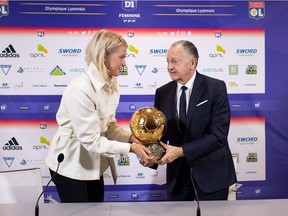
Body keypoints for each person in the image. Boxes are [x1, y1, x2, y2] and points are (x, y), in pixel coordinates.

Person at [45, 30, 155, 203]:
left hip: (93, 165)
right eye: (121, 57)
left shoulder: (111, 83)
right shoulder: (81, 89)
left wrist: (131, 138)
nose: (124, 63)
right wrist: (131, 148)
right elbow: (90, 140)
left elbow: (108, 127)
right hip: (70, 168)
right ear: (104, 56)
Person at [153, 40, 237, 201]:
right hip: (177, 179)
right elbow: (160, 137)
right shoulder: (162, 93)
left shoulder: (215, 88)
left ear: (192, 63)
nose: (169, 67)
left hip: (212, 175)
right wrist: (151, 157)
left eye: (174, 61)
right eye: (168, 62)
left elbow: (218, 136)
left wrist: (181, 151)